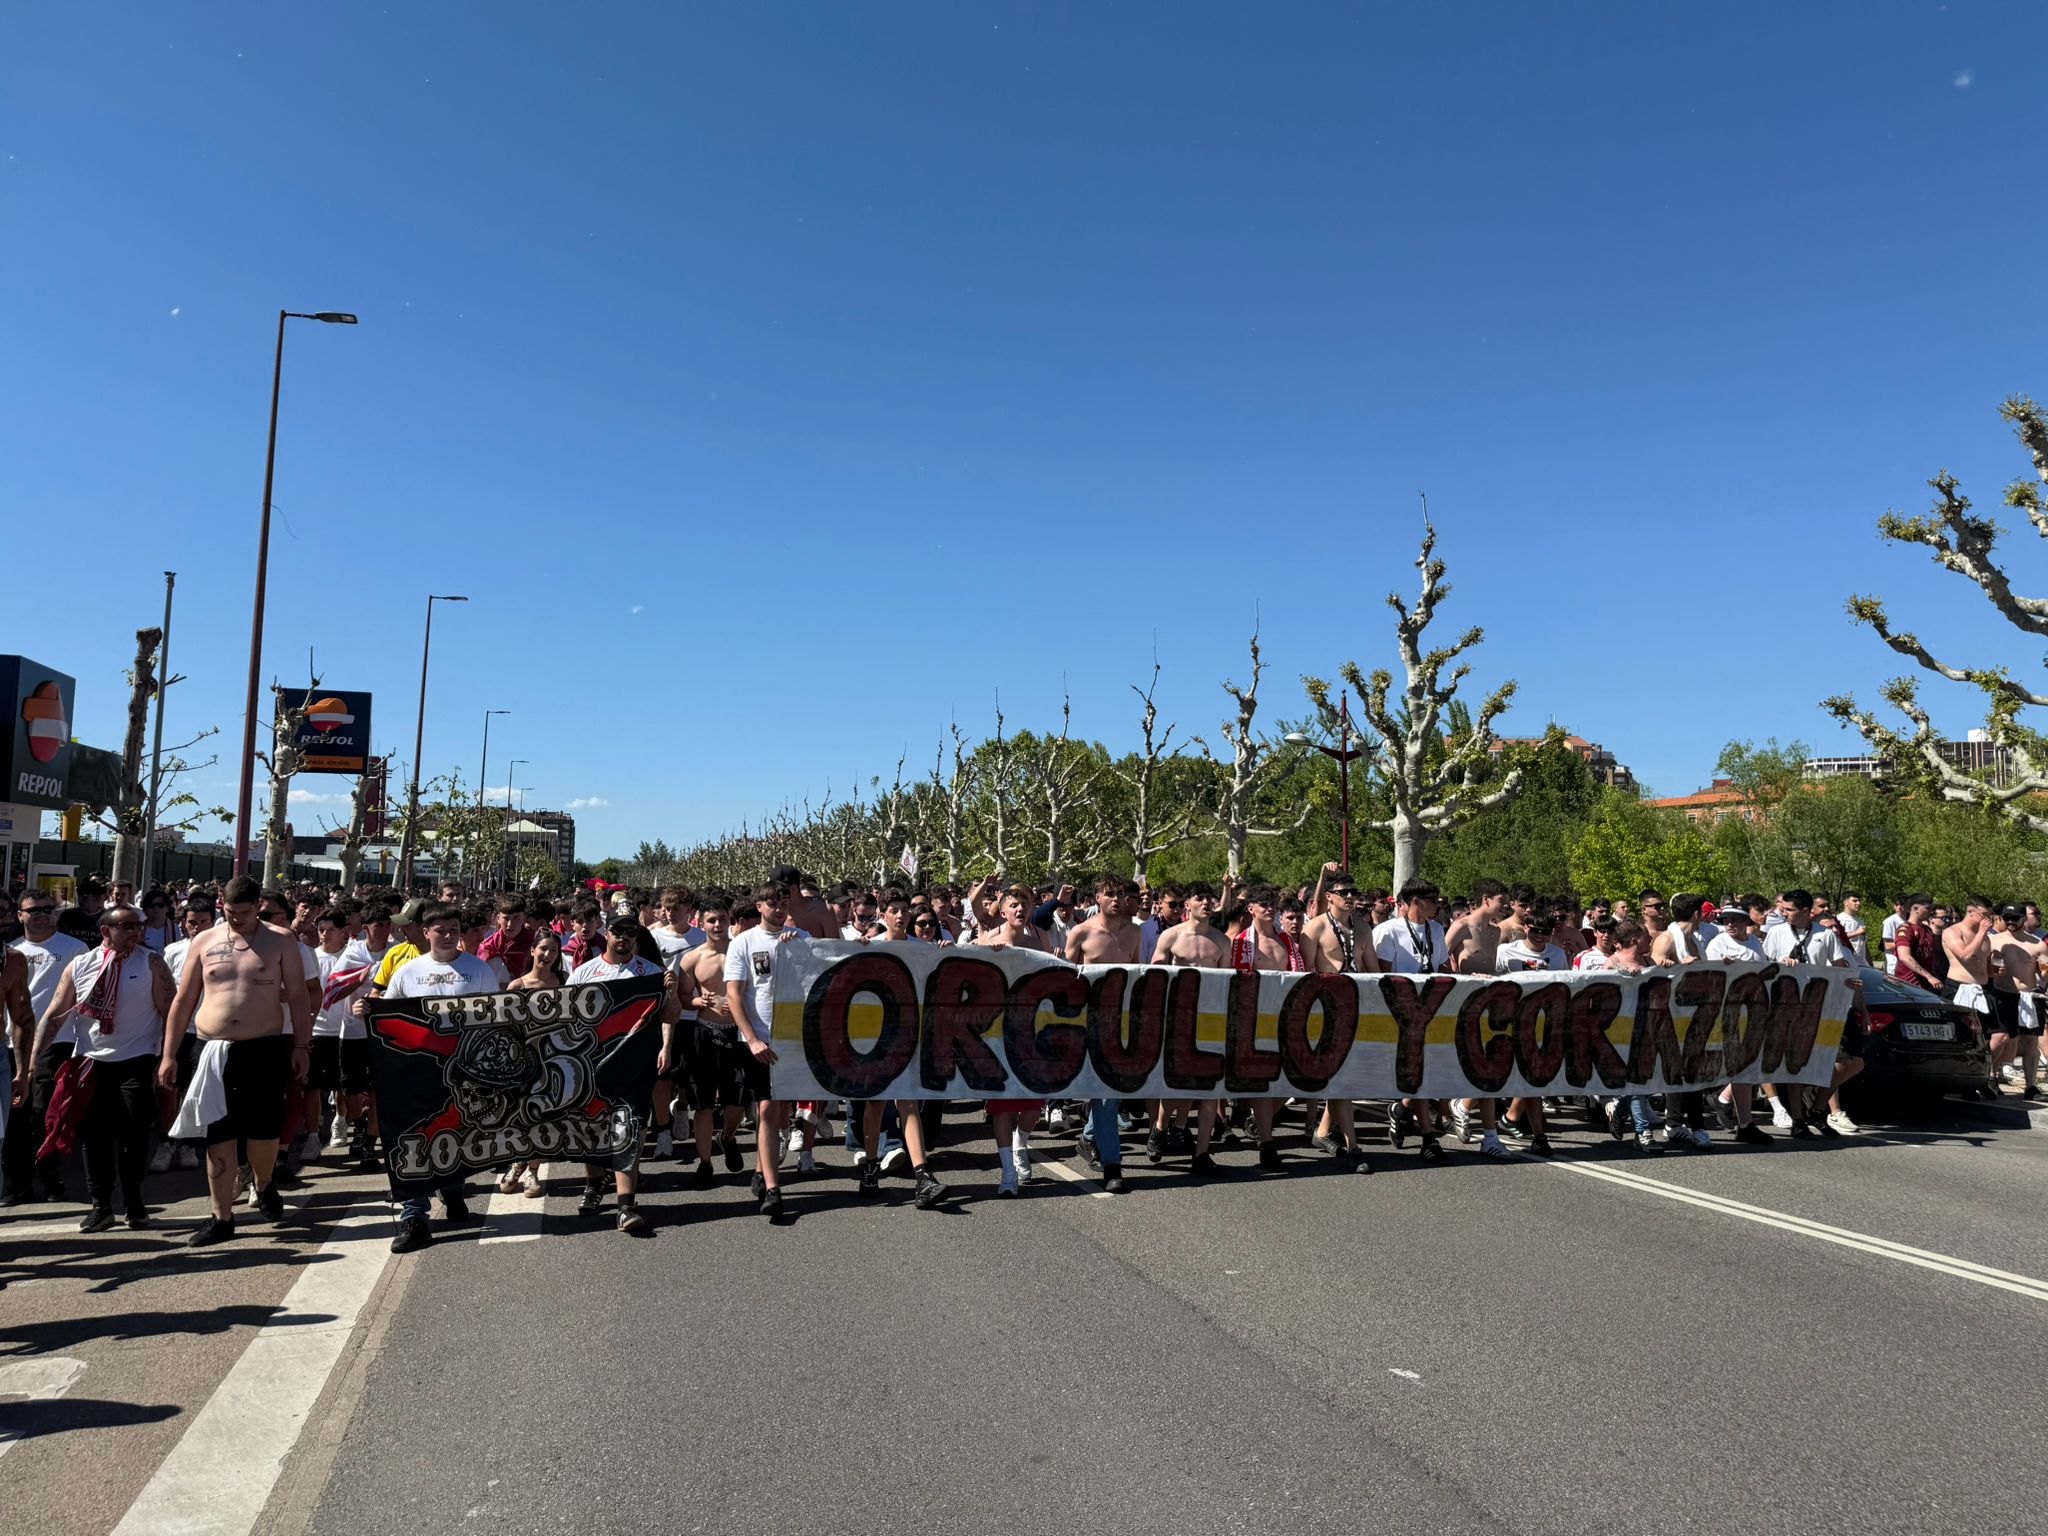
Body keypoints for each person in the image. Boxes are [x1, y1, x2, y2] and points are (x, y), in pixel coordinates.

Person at [159, 876, 313, 1246]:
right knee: (218, 1135)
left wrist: (302, 1046)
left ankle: (264, 1182)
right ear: (221, 905)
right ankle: (221, 1216)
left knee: (264, 1133)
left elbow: (298, 996)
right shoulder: (204, 941)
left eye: (244, 912)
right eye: (230, 911)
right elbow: (183, 999)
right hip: (212, 1049)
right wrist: (168, 1054)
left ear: (258, 906)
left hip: (263, 1048)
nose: (237, 918)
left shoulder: (281, 940)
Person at [30, 904, 175, 1231]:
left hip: (137, 1059)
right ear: (105, 930)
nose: (136, 932)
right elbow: (56, 1012)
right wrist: (33, 1058)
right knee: (93, 1137)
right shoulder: (81, 965)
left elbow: (170, 1012)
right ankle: (101, 1205)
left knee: (134, 1135)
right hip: (91, 1061)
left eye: (138, 926)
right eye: (127, 926)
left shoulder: (151, 962)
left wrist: (167, 1056)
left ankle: (134, 1202)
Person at [374, 904, 496, 1252]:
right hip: (415, 1071)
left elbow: (496, 1016)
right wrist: (366, 1009)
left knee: (456, 1134)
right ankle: (414, 1217)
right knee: (414, 1139)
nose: (448, 935)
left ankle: (453, 1189)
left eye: (453, 928)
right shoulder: (408, 972)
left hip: (465, 1073)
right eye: (440, 929)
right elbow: (387, 1014)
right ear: (425, 933)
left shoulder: (478, 970)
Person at [565, 917, 675, 1235]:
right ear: (607, 934)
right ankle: (593, 1185)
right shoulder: (584, 972)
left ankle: (626, 1204)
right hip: (595, 1064)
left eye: (630, 932)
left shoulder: (651, 973)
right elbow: (566, 1017)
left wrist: (671, 993)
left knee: (630, 1128)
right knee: (592, 1128)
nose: (624, 937)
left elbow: (670, 1015)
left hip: (636, 1065)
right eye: (618, 931)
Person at [2, 888, 89, 1204]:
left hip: (57, 1042)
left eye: (47, 909)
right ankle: (17, 1184)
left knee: (44, 1113)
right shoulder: (11, 952)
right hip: (14, 1042)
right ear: (20, 915)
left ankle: (50, 1177)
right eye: (33, 910)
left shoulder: (75, 949)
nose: (41, 915)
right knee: (15, 1115)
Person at [1761, 888, 1862, 1136]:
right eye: (1783, 909)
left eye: (1790, 910)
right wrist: (1780, 964)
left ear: (1806, 911)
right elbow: (1763, 966)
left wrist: (1848, 981)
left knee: (1844, 1061)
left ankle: (1817, 1110)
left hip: (1821, 1007)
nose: (1785, 913)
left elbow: (1839, 966)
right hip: (1789, 1006)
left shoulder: (1824, 935)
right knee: (1796, 1064)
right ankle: (1797, 1119)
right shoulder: (1776, 932)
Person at [1372, 881, 1449, 1160]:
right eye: (1432, 899)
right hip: (1400, 1013)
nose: (1437, 904)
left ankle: (1402, 1108)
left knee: (1421, 1073)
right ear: (1415, 901)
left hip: (1428, 1010)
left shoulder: (1436, 929)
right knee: (1417, 1072)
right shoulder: (1388, 931)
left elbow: (1442, 967)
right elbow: (1382, 976)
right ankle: (1428, 1137)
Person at [500, 928, 568, 1196]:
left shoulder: (565, 981)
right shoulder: (517, 986)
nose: (548, 954)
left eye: (554, 950)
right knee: (520, 1117)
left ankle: (532, 1172)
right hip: (523, 1063)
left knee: (542, 1117)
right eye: (543, 948)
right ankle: (517, 1162)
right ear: (532, 951)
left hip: (554, 1060)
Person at [1989, 905, 2043, 1101]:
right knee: (2001, 1039)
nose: (2010, 922)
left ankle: (2030, 1086)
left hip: (2028, 996)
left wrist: (2044, 974)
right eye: (2007, 918)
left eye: (2015, 918)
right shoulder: (1994, 940)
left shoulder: (2037, 944)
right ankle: (1990, 1077)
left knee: (2030, 1043)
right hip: (2002, 994)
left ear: (2023, 919)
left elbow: (2044, 971)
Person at [1945, 897, 2000, 1094]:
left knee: (1987, 1037)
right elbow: (1965, 955)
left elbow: (1983, 965)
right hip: (1960, 987)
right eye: (1984, 915)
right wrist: (1982, 933)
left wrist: (1994, 971)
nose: (1988, 919)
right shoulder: (1953, 932)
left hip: (1982, 988)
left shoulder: (1985, 937)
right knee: (1962, 1037)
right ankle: (1961, 1081)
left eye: (1989, 915)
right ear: (1971, 912)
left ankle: (1984, 1077)